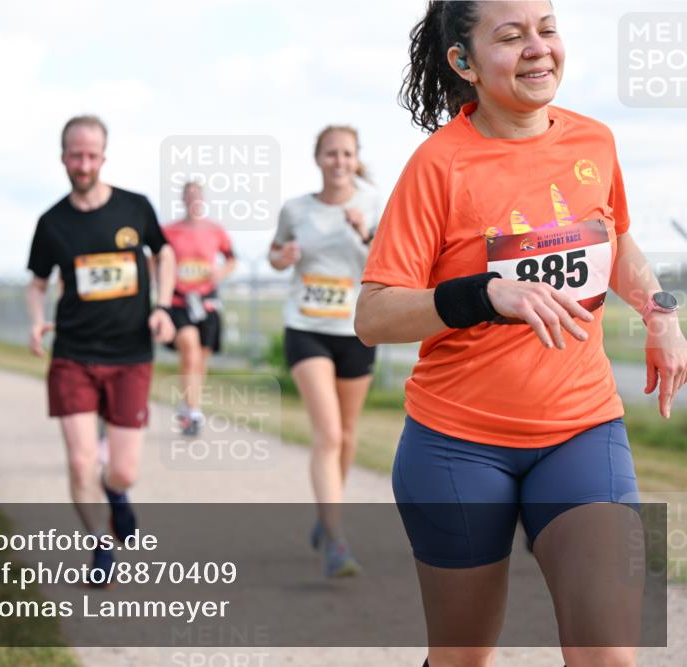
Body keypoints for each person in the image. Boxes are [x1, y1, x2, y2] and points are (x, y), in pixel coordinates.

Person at [354, 2, 687, 665]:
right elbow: (373, 314)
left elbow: (616, 240)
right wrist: (484, 294)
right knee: (463, 657)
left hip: (582, 429)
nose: (538, 47)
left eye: (547, 28)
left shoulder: (593, 140)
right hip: (457, 447)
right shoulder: (438, 166)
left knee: (609, 653)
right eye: (510, 36)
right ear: (463, 62)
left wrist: (659, 310)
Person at [26, 115, 176, 586]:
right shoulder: (52, 223)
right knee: (79, 460)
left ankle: (117, 498)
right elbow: (36, 283)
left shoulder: (135, 208)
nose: (84, 163)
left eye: (92, 155)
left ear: (104, 157)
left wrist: (163, 306)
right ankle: (99, 544)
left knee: (123, 471)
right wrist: (37, 321)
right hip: (72, 352)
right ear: (63, 157)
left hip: (130, 354)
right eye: (76, 154)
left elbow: (164, 253)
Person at [268, 125, 381, 578]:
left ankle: (326, 515)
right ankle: (336, 539)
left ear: (356, 159)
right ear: (318, 159)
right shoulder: (296, 209)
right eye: (330, 153)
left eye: (347, 154)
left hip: (356, 327)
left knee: (349, 435)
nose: (339, 161)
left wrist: (366, 231)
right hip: (306, 327)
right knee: (329, 433)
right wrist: (284, 257)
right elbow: (274, 254)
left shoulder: (372, 203)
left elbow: (390, 260)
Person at [163, 182, 237, 435]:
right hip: (179, 301)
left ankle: (189, 404)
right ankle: (192, 412)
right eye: (189, 195)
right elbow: (156, 259)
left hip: (206, 301)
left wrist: (220, 272)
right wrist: (163, 278)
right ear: (183, 199)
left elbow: (231, 258)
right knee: (189, 350)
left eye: (198, 195)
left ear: (203, 199)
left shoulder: (216, 230)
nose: (193, 199)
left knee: (200, 360)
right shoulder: (169, 231)